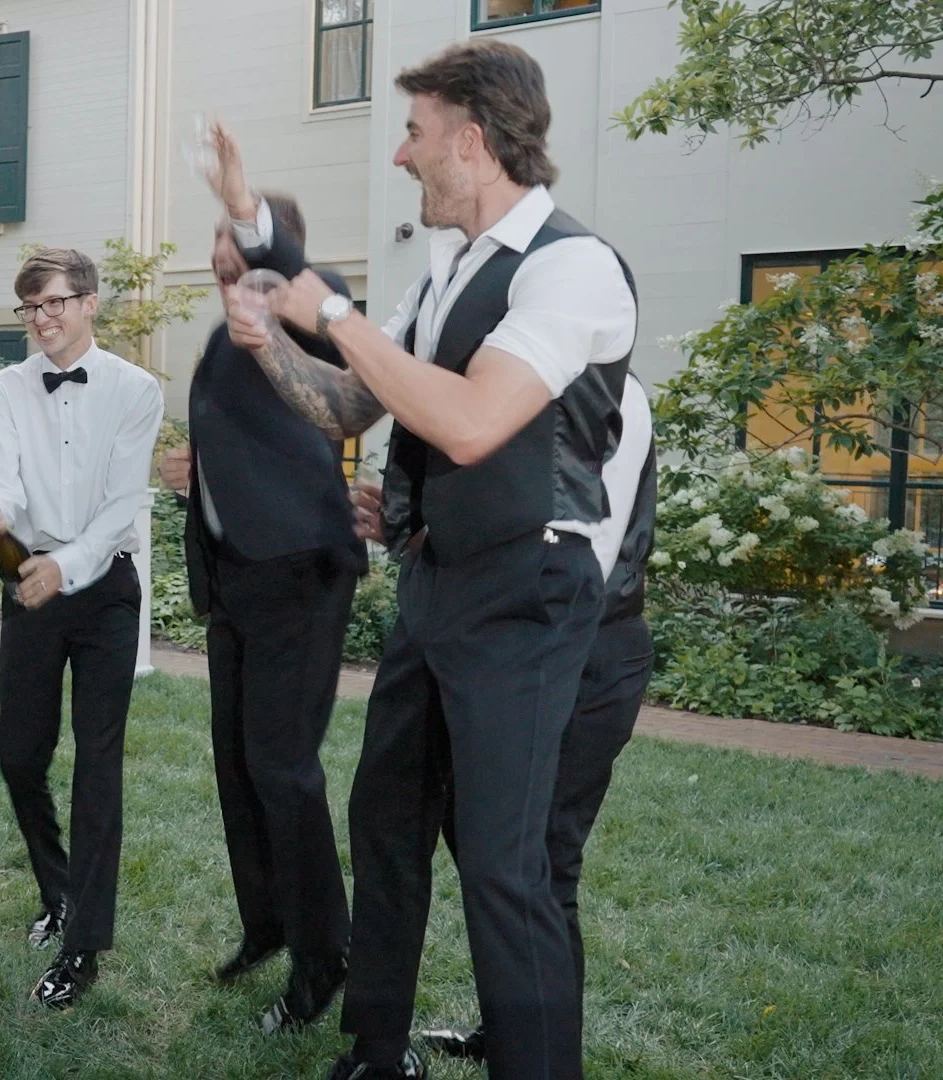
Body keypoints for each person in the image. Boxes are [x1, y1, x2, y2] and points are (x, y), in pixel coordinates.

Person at [219, 41, 638, 1079]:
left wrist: (332, 313)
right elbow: (353, 403)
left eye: (414, 133)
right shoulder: (445, 270)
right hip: (437, 584)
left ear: (474, 142)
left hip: (527, 595)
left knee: (504, 865)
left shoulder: (572, 267)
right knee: (386, 820)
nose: (401, 155)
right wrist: (269, 340)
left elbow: (470, 423)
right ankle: (377, 1050)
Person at [157, 195, 366, 1035]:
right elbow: (252, 441)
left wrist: (254, 228)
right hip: (234, 582)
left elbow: (297, 294)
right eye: (216, 244)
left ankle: (325, 956)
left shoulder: (311, 312)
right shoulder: (221, 340)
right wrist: (196, 469)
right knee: (239, 768)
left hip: (299, 579)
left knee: (282, 767)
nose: (222, 258)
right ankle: (268, 925)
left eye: (235, 245)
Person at [403, 371, 657, 1062]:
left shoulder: (608, 394)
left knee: (540, 863)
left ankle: (538, 1051)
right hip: (535, 645)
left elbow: (584, 550)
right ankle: (515, 1033)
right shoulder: (532, 386)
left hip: (584, 650)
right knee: (493, 847)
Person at [0, 247, 165, 1010]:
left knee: (97, 765)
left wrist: (67, 565)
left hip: (105, 587)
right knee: (19, 754)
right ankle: (57, 892)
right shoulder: (2, 389)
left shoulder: (136, 390)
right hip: (31, 587)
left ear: (88, 302)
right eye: (30, 307)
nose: (42, 318)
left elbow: (122, 504)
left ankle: (83, 945)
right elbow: (3, 481)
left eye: (54, 302)